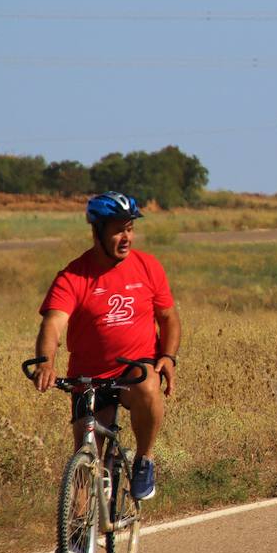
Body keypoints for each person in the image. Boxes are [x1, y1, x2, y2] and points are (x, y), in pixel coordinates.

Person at [32, 192, 181, 504]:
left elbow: (168, 318)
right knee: (86, 460)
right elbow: (53, 323)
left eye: (129, 229)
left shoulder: (148, 267)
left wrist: (167, 357)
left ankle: (144, 460)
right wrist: (46, 361)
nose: (126, 237)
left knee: (147, 384)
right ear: (96, 232)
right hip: (89, 376)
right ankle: (75, 541)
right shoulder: (74, 276)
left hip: (133, 367)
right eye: (118, 230)